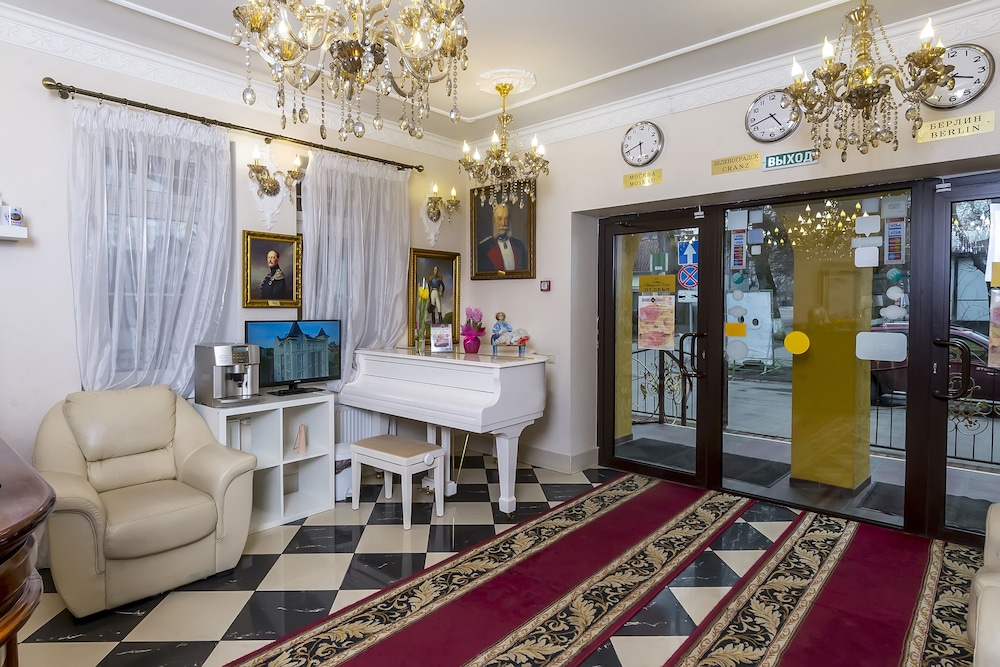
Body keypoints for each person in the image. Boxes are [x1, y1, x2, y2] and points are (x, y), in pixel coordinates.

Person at [478, 203, 528, 272]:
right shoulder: (483, 248)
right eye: (499, 219)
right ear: (494, 221)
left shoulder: (519, 245)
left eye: (506, 219)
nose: (503, 223)